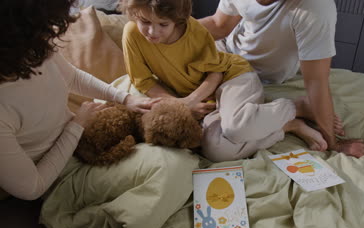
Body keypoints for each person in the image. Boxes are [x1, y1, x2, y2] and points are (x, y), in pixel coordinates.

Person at [120, 0, 330, 163]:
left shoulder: (194, 31)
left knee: (236, 128)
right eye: (145, 22)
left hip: (232, 76)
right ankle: (287, 126)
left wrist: (191, 100)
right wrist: (180, 105)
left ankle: (295, 107)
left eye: (163, 25)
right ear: (134, 14)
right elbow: (144, 81)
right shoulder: (131, 34)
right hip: (203, 97)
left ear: (176, 19)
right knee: (216, 150)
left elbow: (216, 72)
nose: (152, 32)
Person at [0, 0, 159, 200]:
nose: (50, 32)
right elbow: (33, 187)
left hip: (82, 130)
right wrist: (76, 126)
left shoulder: (34, 49)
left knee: (142, 92)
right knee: (171, 164)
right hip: (63, 173)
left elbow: (72, 78)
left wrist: (125, 99)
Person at [199, 0, 364, 158]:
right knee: (201, 130)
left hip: (246, 75)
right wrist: (177, 29)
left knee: (217, 148)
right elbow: (218, 25)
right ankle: (289, 122)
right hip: (223, 54)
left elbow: (316, 82)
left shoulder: (315, 8)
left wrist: (334, 144)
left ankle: (297, 110)